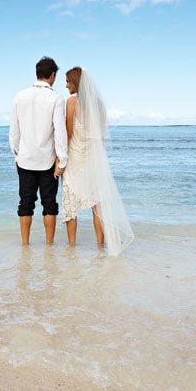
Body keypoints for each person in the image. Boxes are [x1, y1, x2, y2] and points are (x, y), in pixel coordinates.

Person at [62, 67, 134, 256]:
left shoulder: (71, 103)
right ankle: (100, 246)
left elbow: (68, 134)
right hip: (94, 160)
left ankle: (71, 247)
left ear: (76, 83)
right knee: (98, 206)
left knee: (71, 207)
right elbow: (100, 135)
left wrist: (60, 160)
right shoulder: (99, 105)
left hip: (75, 159)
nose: (66, 85)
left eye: (68, 81)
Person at [9, 56, 68, 246]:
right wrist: (63, 160)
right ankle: (49, 245)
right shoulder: (56, 98)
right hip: (47, 161)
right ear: (52, 75)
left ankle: (25, 245)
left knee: (25, 203)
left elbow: (14, 130)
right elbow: (60, 132)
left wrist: (16, 154)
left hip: (25, 159)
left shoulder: (20, 96)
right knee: (49, 204)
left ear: (37, 74)